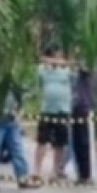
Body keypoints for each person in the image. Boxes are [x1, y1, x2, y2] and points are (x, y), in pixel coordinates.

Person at [32, 44, 77, 184]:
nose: (59, 57)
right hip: (47, 110)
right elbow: (39, 75)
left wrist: (64, 63)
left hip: (62, 110)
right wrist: (49, 62)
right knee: (42, 142)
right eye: (56, 54)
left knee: (60, 143)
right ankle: (36, 171)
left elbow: (76, 69)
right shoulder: (43, 69)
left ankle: (56, 171)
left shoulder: (67, 70)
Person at [0, 77, 35, 189]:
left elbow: (23, 95)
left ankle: (22, 176)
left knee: (17, 149)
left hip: (11, 120)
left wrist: (18, 111)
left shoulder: (14, 80)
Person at [71, 60, 97, 184]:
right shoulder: (77, 72)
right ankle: (81, 174)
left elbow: (84, 67)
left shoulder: (89, 66)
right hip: (76, 107)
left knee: (86, 143)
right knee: (77, 143)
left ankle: (88, 175)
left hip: (87, 108)